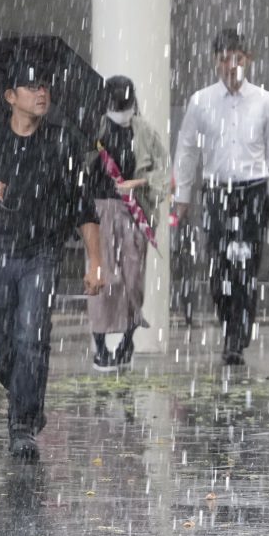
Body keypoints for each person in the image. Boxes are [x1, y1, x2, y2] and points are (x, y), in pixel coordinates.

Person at [0, 61, 104, 459]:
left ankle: (23, 424)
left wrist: (96, 263)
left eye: (46, 86)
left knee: (32, 338)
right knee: (4, 349)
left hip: (41, 255)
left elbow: (83, 208)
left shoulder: (62, 143)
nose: (42, 93)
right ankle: (24, 395)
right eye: (32, 86)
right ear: (10, 97)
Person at [173, 28, 269, 366]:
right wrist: (182, 195)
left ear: (248, 60)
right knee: (219, 264)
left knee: (246, 263)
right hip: (217, 190)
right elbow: (186, 150)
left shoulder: (265, 102)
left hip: (254, 189)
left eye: (237, 59)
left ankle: (236, 338)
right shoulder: (201, 101)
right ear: (215, 62)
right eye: (224, 59)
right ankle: (228, 322)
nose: (230, 66)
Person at [86, 76, 169, 371]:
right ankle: (99, 345)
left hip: (136, 209)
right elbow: (79, 170)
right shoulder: (94, 129)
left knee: (133, 278)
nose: (121, 110)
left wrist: (141, 182)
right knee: (104, 277)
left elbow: (162, 168)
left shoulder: (144, 131)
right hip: (101, 210)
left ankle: (127, 339)